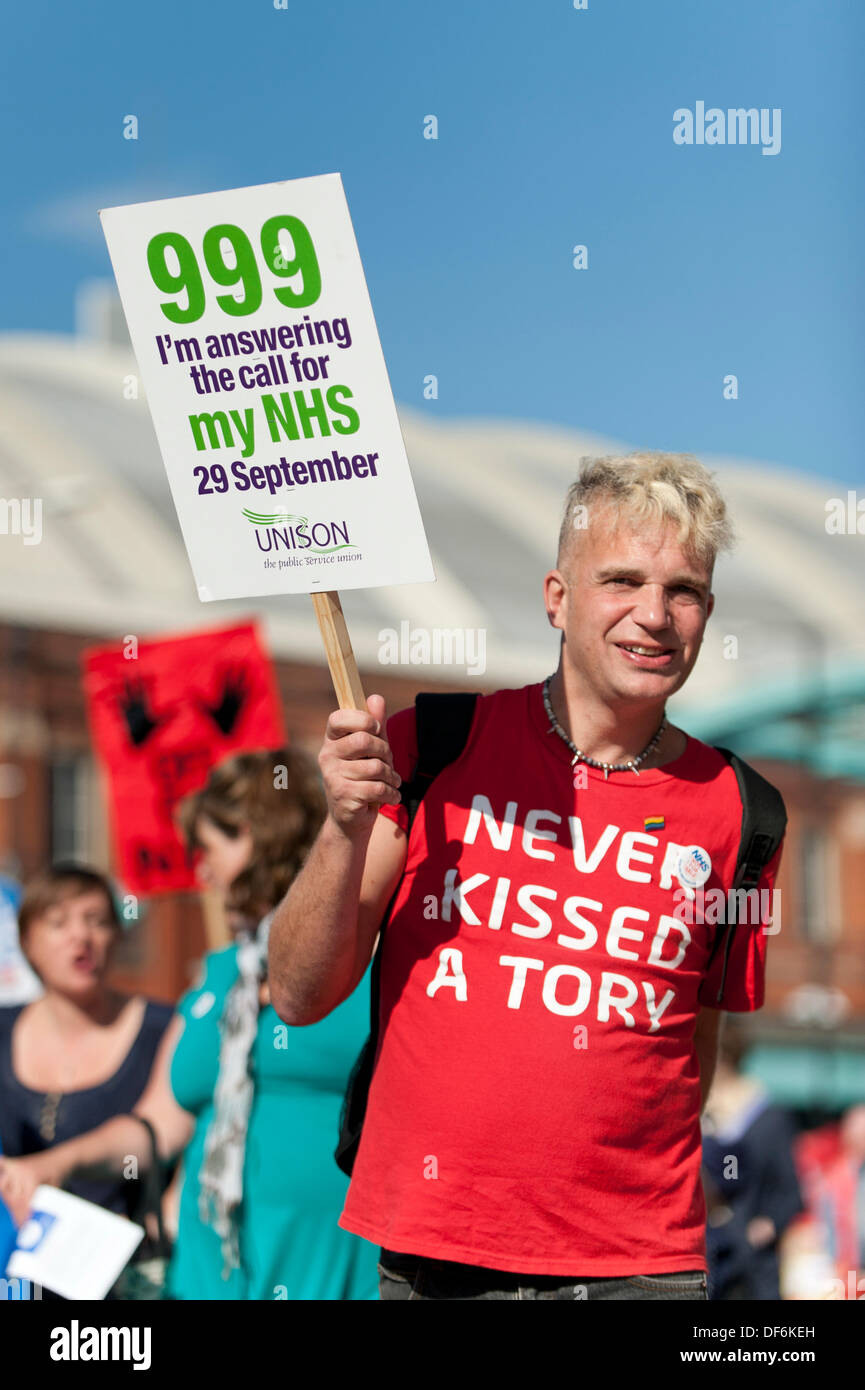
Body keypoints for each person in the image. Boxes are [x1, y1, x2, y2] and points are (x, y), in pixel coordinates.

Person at [269, 451, 786, 1301]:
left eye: (682, 590)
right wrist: (340, 828)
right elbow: (295, 994)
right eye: (620, 581)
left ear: (705, 611)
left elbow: (694, 1041)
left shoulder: (744, 810)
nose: (653, 615)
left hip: (640, 1272)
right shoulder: (431, 747)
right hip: (440, 1255)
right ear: (556, 597)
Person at [0, 751, 378, 1301]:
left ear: (255, 837)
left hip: (332, 1266)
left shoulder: (366, 958)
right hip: (209, 1276)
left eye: (208, 849)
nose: (199, 872)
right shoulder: (220, 975)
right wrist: (56, 1164)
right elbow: (158, 1123)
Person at [0, 864, 173, 1293]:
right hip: (15, 1272)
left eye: (96, 921)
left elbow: (185, 1138)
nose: (81, 937)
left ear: (117, 935)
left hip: (126, 1280)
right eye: (58, 922)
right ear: (26, 941)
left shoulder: (165, 1029)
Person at [702, 1022, 803, 1299]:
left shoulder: (766, 1116)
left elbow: (790, 1187)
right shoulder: (696, 1111)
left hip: (749, 1262)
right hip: (701, 1253)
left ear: (723, 1057)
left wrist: (770, 1223)